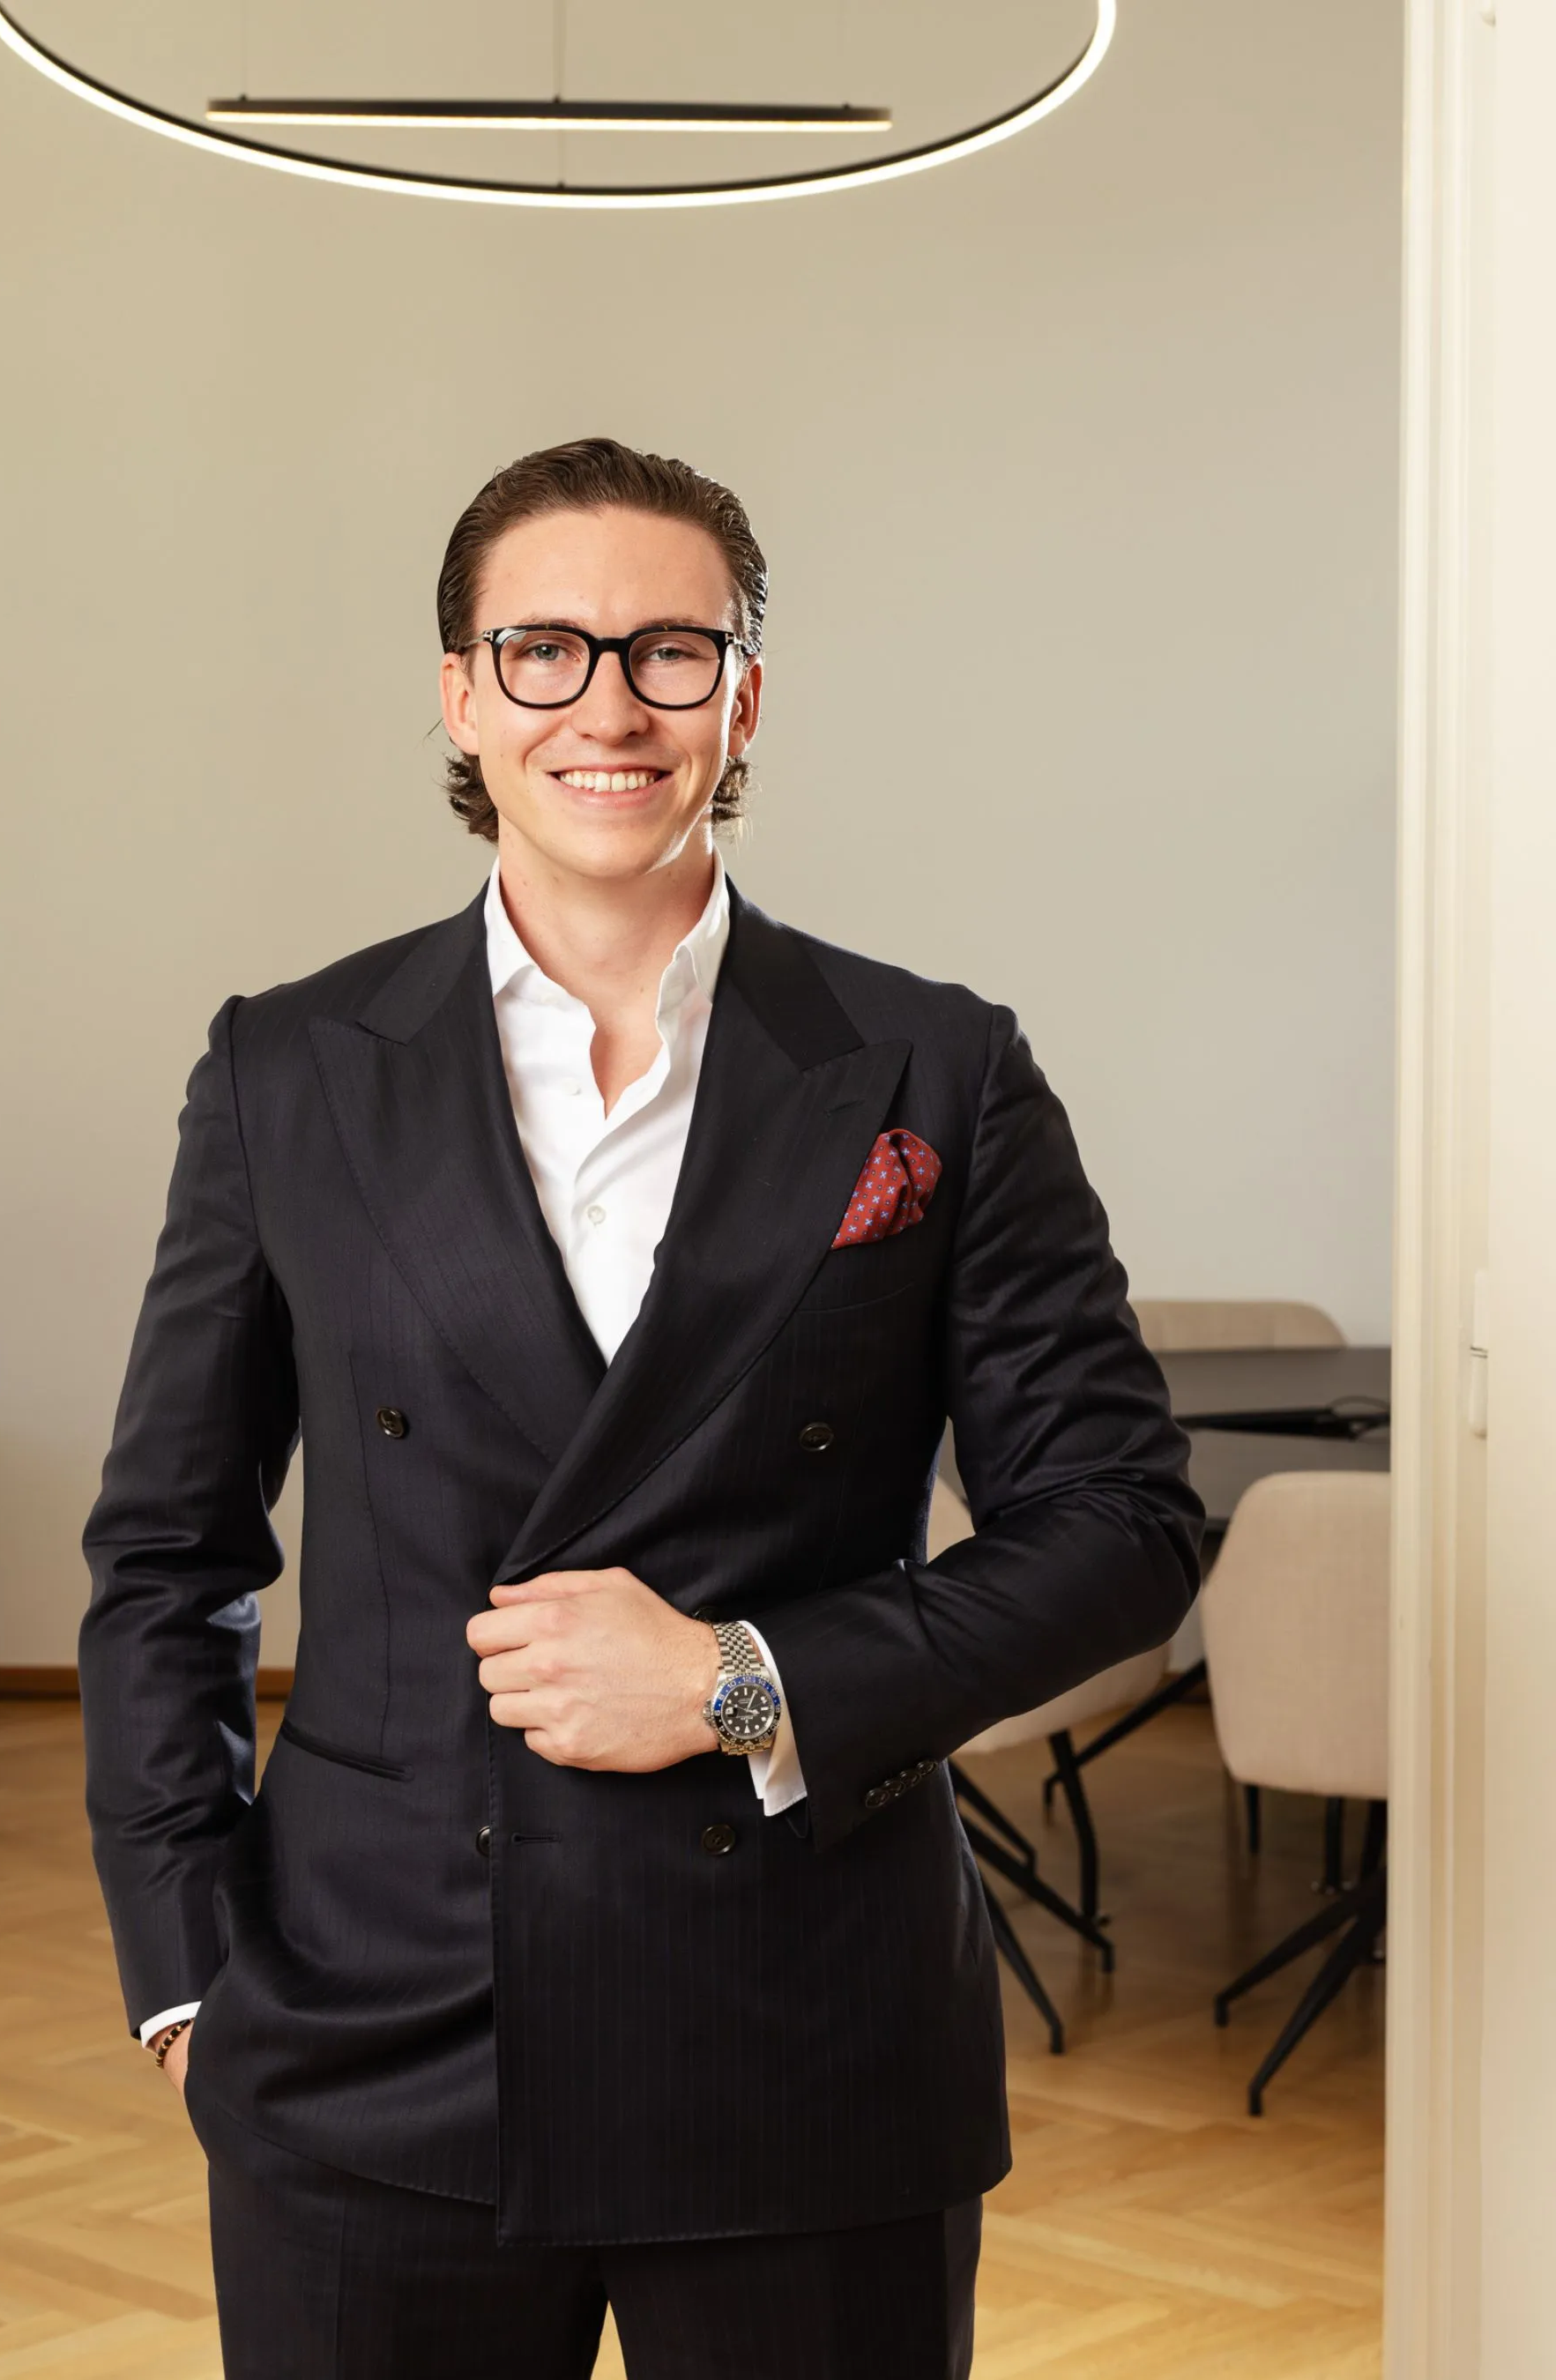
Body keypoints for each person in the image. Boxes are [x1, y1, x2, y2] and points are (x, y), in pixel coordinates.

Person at [80, 435, 1202, 2379]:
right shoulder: (287, 1070)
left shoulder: (936, 1066)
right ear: (462, 693)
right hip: (373, 2022)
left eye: (671, 651)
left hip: (808, 2029)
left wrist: (741, 1683)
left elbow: (1123, 1527)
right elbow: (169, 1555)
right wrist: (188, 1968)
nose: (607, 706)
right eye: (545, 649)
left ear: (743, 697)